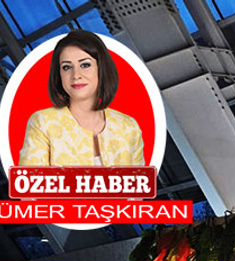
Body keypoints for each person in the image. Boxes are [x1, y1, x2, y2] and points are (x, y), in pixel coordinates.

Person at [19, 30, 145, 167]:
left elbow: (139, 185)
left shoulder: (128, 126)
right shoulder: (43, 122)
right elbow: (31, 184)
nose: (75, 75)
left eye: (85, 65)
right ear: (59, 74)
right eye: (66, 67)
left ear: (101, 68)